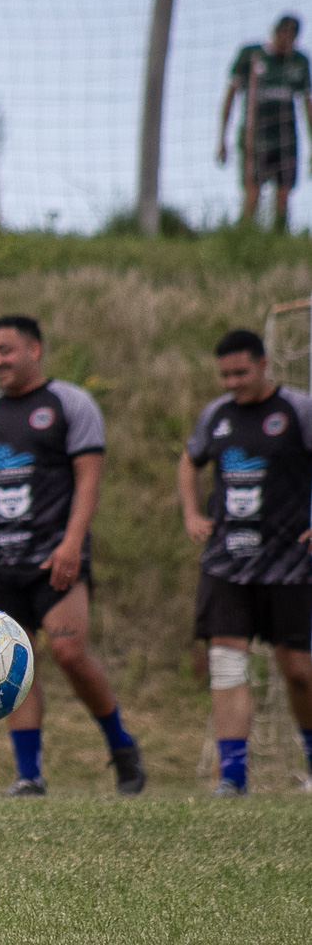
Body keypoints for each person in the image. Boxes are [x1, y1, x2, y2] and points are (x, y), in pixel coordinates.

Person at [0, 315, 145, 797]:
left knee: (70, 654)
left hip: (54, 555)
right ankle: (29, 775)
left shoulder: (70, 403)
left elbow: (88, 480)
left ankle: (121, 746)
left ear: (34, 349)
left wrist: (72, 544)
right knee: (14, 665)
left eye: (6, 350)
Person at [177, 328, 312, 796]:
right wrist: (192, 513)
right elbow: (189, 461)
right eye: (225, 375)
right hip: (227, 561)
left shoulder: (297, 410)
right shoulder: (217, 414)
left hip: (289, 562)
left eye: (241, 373)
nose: (232, 382)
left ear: (264, 364)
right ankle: (232, 779)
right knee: (226, 662)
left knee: (299, 671)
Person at [218, 15, 310, 232]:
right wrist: (222, 138)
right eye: (283, 36)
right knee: (252, 191)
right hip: (255, 136)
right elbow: (230, 96)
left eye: (292, 38)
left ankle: (279, 236)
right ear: (275, 33)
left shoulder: (299, 62)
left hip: (285, 138)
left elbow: (307, 103)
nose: (286, 42)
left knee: (283, 193)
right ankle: (245, 235)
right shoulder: (251, 55)